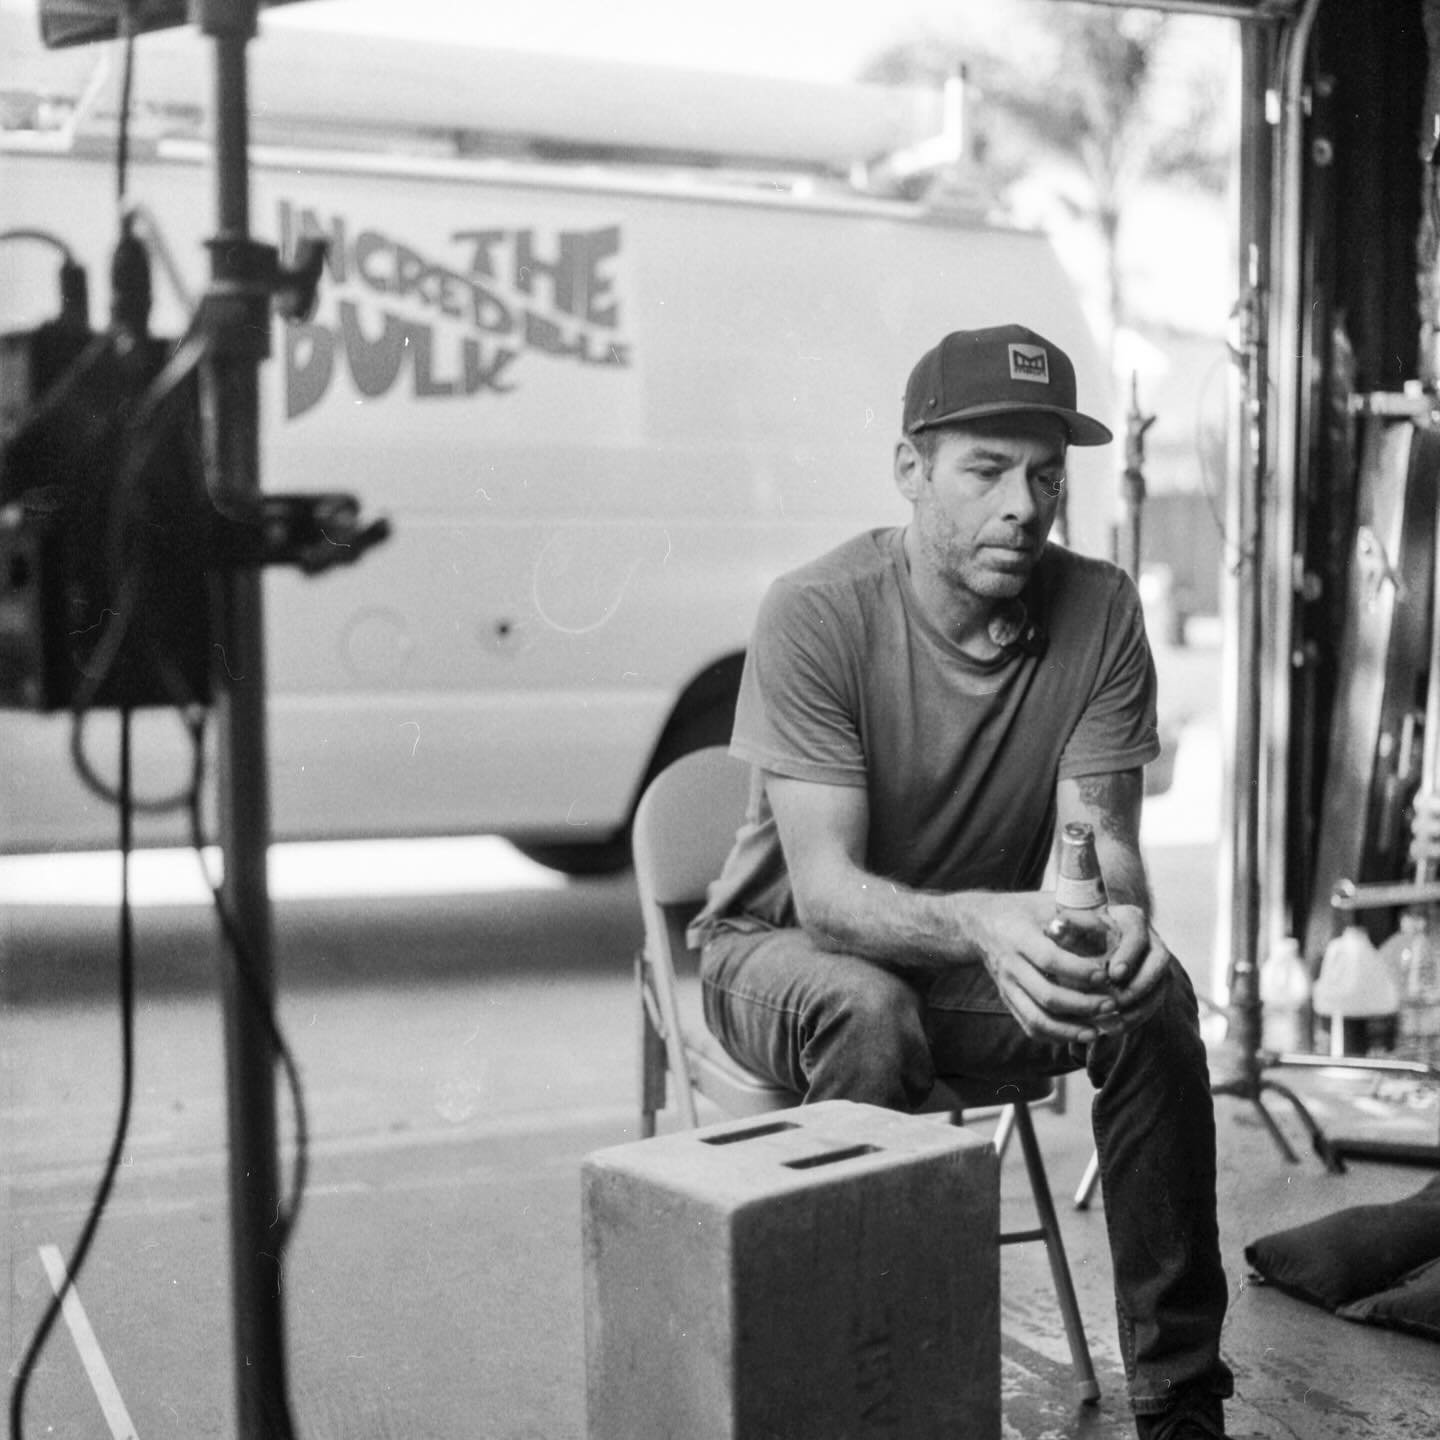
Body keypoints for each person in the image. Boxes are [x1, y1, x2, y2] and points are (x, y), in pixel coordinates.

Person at [689, 324, 1235, 1440]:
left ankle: (1181, 1404)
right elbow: (829, 893)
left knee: (1155, 998)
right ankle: (858, 1403)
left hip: (969, 963)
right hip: (783, 955)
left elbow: (1101, 849)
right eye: (986, 470)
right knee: (871, 1008)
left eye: (1045, 475)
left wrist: (1118, 927)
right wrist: (990, 923)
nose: (1023, 506)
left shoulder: (1100, 609)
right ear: (911, 470)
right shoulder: (818, 611)